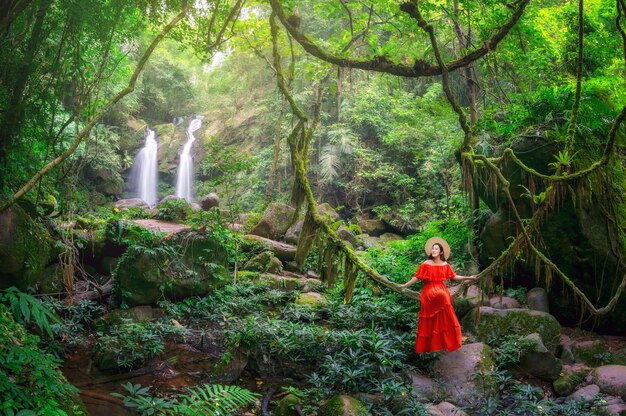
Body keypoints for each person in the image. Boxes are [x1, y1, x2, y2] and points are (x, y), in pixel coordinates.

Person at [400, 237, 476, 353]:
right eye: (432, 249)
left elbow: (454, 277)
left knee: (445, 299)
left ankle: (449, 334)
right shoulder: (426, 264)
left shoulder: (445, 265)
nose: (433, 251)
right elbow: (417, 277)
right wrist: (405, 285)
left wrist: (468, 277)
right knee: (442, 296)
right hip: (429, 290)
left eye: (436, 249)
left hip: (441, 289)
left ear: (441, 252)